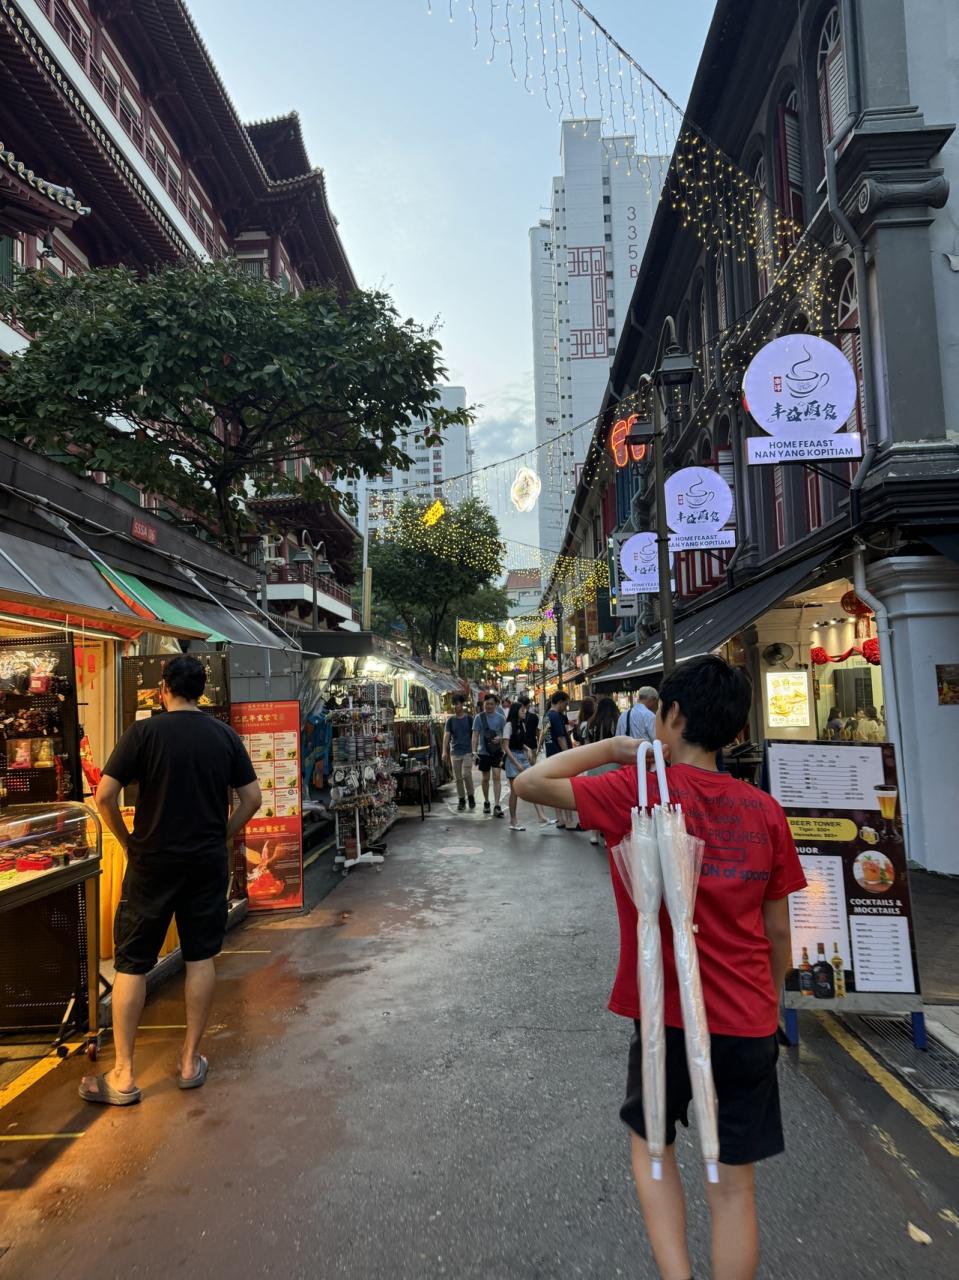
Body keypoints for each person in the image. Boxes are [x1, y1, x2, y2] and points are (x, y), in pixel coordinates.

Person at [514, 655, 806, 1280]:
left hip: (664, 1012)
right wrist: (773, 1005)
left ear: (670, 715)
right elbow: (779, 931)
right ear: (735, 728)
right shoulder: (765, 810)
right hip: (749, 1018)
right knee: (733, 1187)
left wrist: (612, 748)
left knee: (654, 1151)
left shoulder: (639, 791)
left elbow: (530, 783)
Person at [83, 655, 262, 1106]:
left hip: (152, 861)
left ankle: (123, 1075)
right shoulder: (223, 735)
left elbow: (105, 796)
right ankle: (189, 1061)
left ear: (163, 688)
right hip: (205, 862)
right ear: (202, 690)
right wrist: (222, 833)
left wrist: (127, 841)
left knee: (132, 963)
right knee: (200, 957)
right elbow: (252, 798)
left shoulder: (143, 733)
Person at [502, 702, 548, 831]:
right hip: (512, 758)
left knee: (532, 784)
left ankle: (541, 816)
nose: (524, 712)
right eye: (522, 710)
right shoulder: (509, 725)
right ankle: (513, 821)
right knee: (515, 791)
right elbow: (506, 746)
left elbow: (520, 743)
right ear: (516, 711)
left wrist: (527, 749)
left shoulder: (521, 724)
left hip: (522, 756)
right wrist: (516, 763)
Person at [583, 695, 620, 845]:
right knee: (611, 801)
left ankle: (594, 834)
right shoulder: (616, 721)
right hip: (612, 764)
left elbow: (586, 744)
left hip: (594, 764)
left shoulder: (590, 722)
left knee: (595, 800)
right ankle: (608, 835)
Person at [541, 689, 576, 829]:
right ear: (560, 702)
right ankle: (569, 821)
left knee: (556, 789)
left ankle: (560, 819)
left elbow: (546, 735)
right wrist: (567, 755)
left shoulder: (546, 715)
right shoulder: (555, 716)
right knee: (566, 789)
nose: (566, 707)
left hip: (551, 755)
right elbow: (561, 738)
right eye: (565, 704)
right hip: (560, 756)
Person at [472, 692, 506, 817]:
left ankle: (497, 805)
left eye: (491, 704)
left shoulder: (501, 718)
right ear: (483, 704)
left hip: (497, 751)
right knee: (485, 778)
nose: (489, 706)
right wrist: (474, 751)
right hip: (483, 752)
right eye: (487, 704)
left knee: (497, 776)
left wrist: (500, 739)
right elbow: (475, 735)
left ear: (496, 705)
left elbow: (506, 734)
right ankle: (486, 801)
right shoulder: (478, 717)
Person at [443, 693, 476, 812]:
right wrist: (444, 751)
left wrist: (474, 750)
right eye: (454, 704)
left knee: (466, 774)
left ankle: (471, 796)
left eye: (457, 704)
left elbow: (475, 736)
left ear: (462, 704)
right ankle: (461, 799)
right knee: (458, 778)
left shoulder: (470, 719)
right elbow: (446, 736)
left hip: (467, 751)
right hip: (455, 752)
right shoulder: (450, 721)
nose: (455, 706)